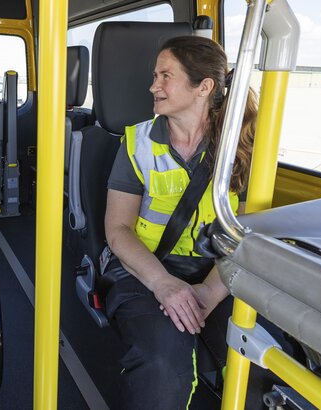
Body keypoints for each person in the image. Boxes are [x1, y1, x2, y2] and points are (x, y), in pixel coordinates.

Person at [104, 35, 258, 409]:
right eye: (155, 76)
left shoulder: (241, 148)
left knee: (260, 362)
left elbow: (248, 237)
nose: (153, 86)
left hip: (218, 273)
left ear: (203, 87)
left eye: (165, 76)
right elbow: (117, 230)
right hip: (143, 269)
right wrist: (163, 284)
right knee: (162, 365)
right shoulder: (138, 143)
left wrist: (209, 292)